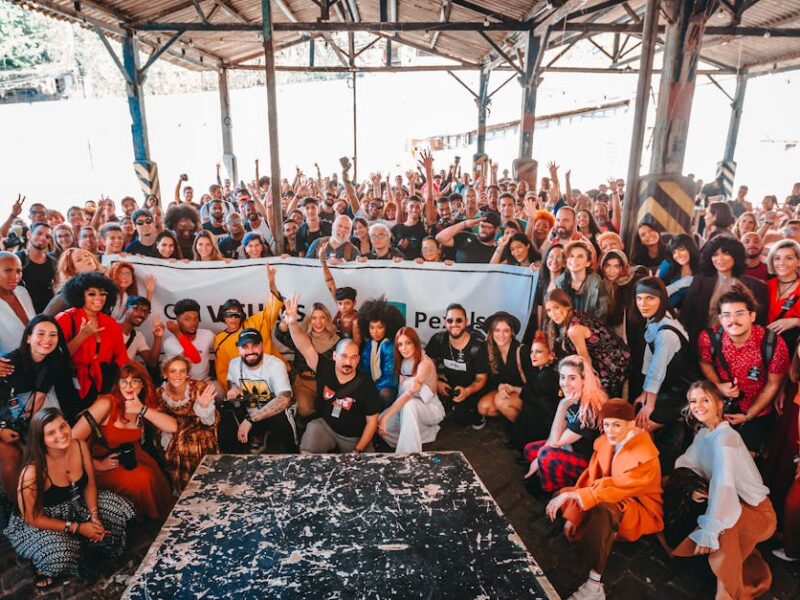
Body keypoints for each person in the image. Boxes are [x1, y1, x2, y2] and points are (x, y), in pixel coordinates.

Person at [665, 381, 777, 600]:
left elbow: (724, 487)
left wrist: (709, 530)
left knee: (725, 523)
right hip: (734, 502)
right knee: (720, 512)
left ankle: (724, 594)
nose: (698, 406)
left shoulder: (726, 440)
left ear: (718, 403)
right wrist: (691, 487)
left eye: (704, 400)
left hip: (759, 514)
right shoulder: (704, 434)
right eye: (693, 401)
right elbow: (687, 464)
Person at [4, 408, 135, 589]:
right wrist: (78, 527)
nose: (61, 434)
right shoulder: (32, 472)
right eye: (51, 433)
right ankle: (44, 566)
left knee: (118, 509)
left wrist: (94, 516)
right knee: (61, 553)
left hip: (75, 504)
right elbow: (33, 518)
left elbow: (89, 484)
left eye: (62, 426)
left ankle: (86, 544)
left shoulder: (79, 446)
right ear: (41, 439)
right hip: (42, 520)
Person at [546, 399, 663, 600]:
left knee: (604, 510)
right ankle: (596, 531)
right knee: (560, 498)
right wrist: (573, 514)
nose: (610, 431)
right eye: (607, 424)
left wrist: (574, 497)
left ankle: (594, 585)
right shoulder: (606, 441)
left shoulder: (646, 456)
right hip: (603, 493)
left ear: (631, 424)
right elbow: (591, 477)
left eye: (617, 425)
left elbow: (618, 489)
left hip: (636, 508)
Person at [72, 362, 174, 521]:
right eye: (124, 381)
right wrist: (97, 464)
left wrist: (142, 410)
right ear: (117, 384)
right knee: (141, 479)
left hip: (129, 455)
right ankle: (144, 523)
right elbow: (71, 440)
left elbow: (172, 426)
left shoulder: (141, 404)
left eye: (135, 381)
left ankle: (162, 522)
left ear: (142, 385)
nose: (129, 386)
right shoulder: (106, 403)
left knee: (155, 475)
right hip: (98, 462)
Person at [698, 285, 789, 455]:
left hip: (757, 413)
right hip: (719, 408)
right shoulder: (708, 338)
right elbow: (705, 362)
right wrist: (718, 385)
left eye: (739, 313)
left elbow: (773, 384)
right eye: (727, 315)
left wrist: (748, 415)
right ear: (720, 318)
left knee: (744, 461)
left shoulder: (773, 343)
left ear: (752, 316)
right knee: (711, 455)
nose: (733, 320)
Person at [282, 294, 379, 454]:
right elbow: (305, 346)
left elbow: (372, 422)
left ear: (358, 359)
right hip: (326, 427)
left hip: (353, 437)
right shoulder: (325, 367)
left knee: (366, 465)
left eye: (353, 358)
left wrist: (358, 450)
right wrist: (292, 324)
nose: (348, 362)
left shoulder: (366, 385)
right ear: (334, 356)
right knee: (311, 434)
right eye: (343, 356)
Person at [0, 315, 76, 502]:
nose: (47, 340)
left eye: (53, 335)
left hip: (26, 416)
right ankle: (17, 508)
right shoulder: (7, 365)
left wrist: (28, 433)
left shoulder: (54, 360)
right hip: (4, 418)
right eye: (41, 334)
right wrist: (2, 429)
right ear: (28, 337)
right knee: (13, 455)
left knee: (43, 448)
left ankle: (52, 497)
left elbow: (39, 398)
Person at [633, 277, 700, 469]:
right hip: (670, 387)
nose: (643, 304)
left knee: (640, 425)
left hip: (684, 392)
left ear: (661, 299)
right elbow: (649, 357)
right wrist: (645, 393)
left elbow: (657, 370)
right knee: (637, 411)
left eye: (650, 298)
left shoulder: (666, 334)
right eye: (639, 298)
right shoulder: (656, 319)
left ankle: (649, 470)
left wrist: (650, 404)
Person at [523, 355, 608, 493]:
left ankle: (552, 491)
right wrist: (537, 459)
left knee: (545, 455)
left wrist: (562, 407)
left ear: (584, 380)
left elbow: (556, 442)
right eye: (562, 377)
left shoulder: (589, 409)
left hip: (587, 463)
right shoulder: (571, 397)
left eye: (572, 378)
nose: (565, 383)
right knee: (530, 450)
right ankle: (548, 474)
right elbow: (557, 434)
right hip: (568, 447)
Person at [55, 272, 129, 419]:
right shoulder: (65, 318)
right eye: (91, 294)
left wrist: (121, 387)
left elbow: (121, 359)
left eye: (103, 293)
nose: (98, 298)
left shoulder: (111, 323)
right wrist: (81, 336)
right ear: (79, 295)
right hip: (70, 384)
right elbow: (57, 357)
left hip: (103, 385)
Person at [680, 235, 768, 343]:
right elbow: (687, 317)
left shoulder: (756, 286)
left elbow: (758, 323)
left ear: (736, 255)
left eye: (726, 253)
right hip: (702, 343)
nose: (720, 259)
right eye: (715, 254)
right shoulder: (699, 282)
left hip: (739, 345)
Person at [221, 328, 296, 454]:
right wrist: (233, 388)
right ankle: (239, 454)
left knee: (284, 432)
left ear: (262, 345)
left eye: (254, 345)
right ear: (238, 349)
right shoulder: (234, 363)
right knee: (227, 419)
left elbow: (284, 399)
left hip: (273, 414)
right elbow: (231, 381)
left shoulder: (275, 364)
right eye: (245, 346)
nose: (250, 351)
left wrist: (251, 420)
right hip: (247, 411)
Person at [213, 265, 286, 393]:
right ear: (223, 317)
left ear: (242, 315)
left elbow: (272, 308)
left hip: (274, 377)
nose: (233, 318)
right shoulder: (220, 340)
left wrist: (272, 284)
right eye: (229, 315)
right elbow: (222, 371)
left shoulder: (255, 322)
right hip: (245, 387)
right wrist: (233, 390)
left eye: (236, 314)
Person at [544, 289, 630, 397]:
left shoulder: (574, 330)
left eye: (556, 307)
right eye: (549, 310)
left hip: (613, 364)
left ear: (567, 305)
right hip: (613, 356)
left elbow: (586, 361)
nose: (553, 313)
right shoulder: (575, 314)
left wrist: (591, 386)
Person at [156, 355, 218, 492]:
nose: (177, 375)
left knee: (193, 445)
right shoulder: (160, 393)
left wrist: (203, 406)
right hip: (174, 428)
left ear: (187, 374)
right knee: (174, 447)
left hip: (200, 426)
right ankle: (182, 490)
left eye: (182, 371)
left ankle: (204, 487)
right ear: (165, 374)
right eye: (173, 371)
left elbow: (209, 421)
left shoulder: (199, 388)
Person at [378, 327, 445, 453]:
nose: (404, 348)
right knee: (382, 425)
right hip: (407, 409)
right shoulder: (403, 362)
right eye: (400, 344)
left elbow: (409, 393)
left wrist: (387, 415)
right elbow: (401, 394)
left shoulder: (425, 363)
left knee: (409, 405)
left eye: (408, 343)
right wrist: (387, 417)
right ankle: (421, 437)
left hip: (429, 410)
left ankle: (409, 453)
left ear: (415, 343)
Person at [426, 303, 489, 429]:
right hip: (449, 385)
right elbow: (428, 362)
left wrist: (467, 391)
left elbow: (481, 379)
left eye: (459, 320)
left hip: (472, 388)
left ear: (466, 321)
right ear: (445, 322)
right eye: (450, 320)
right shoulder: (438, 340)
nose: (454, 324)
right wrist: (436, 381)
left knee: (462, 419)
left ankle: (475, 412)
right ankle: (450, 405)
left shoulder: (478, 346)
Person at [276, 300, 339, 419]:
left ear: (327, 319)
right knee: (304, 409)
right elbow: (281, 334)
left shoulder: (337, 342)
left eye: (322, 318)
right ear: (309, 320)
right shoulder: (301, 338)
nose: (318, 322)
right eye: (314, 318)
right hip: (303, 383)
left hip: (327, 386)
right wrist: (285, 321)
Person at [477, 312, 530, 424]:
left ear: (512, 332)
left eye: (506, 331)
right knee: (484, 407)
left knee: (501, 401)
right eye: (497, 330)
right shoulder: (488, 350)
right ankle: (511, 417)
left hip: (525, 393)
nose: (501, 335)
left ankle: (526, 430)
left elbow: (536, 386)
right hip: (505, 392)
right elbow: (490, 380)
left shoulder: (522, 351)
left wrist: (514, 389)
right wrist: (500, 387)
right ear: (491, 332)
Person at [510, 331, 560, 451]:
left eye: (539, 352)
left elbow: (532, 395)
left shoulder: (548, 375)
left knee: (529, 408)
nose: (533, 355)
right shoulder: (542, 371)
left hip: (549, 424)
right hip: (544, 420)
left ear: (551, 355)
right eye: (532, 351)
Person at [356, 296, 405, 409]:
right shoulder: (369, 344)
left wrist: (371, 388)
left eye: (380, 327)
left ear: (388, 327)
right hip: (371, 385)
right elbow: (363, 368)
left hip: (387, 387)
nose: (375, 332)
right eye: (372, 327)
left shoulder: (390, 346)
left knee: (384, 394)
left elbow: (390, 378)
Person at [163, 299, 215, 383]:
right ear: (177, 320)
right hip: (180, 384)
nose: (193, 323)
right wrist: (178, 333)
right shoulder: (170, 343)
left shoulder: (207, 334)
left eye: (196, 318)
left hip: (204, 382)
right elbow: (195, 358)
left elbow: (222, 348)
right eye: (187, 319)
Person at [522, 243, 565, 343]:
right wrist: (540, 329)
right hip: (545, 328)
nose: (554, 260)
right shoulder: (542, 282)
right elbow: (540, 307)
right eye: (551, 256)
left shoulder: (566, 283)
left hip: (561, 330)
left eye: (559, 257)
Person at [556, 240, 608, 320]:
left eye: (580, 256)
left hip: (592, 325)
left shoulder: (598, 283)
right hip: (566, 326)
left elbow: (602, 312)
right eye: (571, 256)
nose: (574, 260)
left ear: (588, 263)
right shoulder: (559, 282)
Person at [44, 248, 103, 317]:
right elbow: (45, 317)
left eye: (86, 255)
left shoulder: (103, 283)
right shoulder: (67, 293)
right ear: (73, 269)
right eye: (79, 259)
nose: (86, 259)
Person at [765, 239, 800, 349]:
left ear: (798, 261)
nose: (781, 263)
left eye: (789, 258)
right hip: (765, 347)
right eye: (777, 258)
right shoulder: (765, 286)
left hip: (792, 348)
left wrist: (795, 321)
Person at [15, 222, 56, 313]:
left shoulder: (53, 262)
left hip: (48, 312)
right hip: (23, 311)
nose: (43, 238)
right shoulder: (17, 259)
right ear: (29, 234)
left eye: (48, 236)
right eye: (39, 233)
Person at [0, 252, 36, 355]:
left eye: (19, 271)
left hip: (36, 358)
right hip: (10, 362)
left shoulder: (22, 292)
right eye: (8, 270)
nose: (15, 276)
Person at [320, 255, 360, 344]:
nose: (343, 307)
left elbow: (356, 346)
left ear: (354, 303)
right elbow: (330, 282)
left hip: (349, 351)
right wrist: (323, 262)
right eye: (340, 303)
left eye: (347, 303)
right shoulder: (341, 311)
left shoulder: (356, 322)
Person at [118, 296, 164, 368]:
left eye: (146, 312)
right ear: (126, 309)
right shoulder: (109, 326)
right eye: (137, 309)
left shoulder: (138, 336)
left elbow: (152, 363)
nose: (142, 315)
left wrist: (158, 337)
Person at [435, 212, 500, 264]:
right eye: (482, 226)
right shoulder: (466, 237)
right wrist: (464, 224)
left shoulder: (499, 249)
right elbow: (440, 238)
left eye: (489, 227)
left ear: (497, 229)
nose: (484, 230)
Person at [658, 233, 700, 311]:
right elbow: (655, 288)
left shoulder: (702, 268)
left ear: (691, 249)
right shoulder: (668, 264)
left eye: (682, 250)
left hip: (693, 311)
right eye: (674, 252)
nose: (678, 255)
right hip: (667, 309)